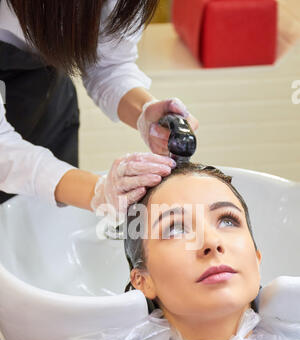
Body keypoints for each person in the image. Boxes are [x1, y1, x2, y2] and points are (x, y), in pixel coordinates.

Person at [1, 162, 300, 340]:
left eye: (227, 220)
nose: (212, 242)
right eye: (175, 229)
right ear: (142, 280)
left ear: (257, 259)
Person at [0, 0, 198, 214]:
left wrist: (144, 111)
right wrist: (96, 192)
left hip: (48, 109)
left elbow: (108, 64)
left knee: (42, 227)